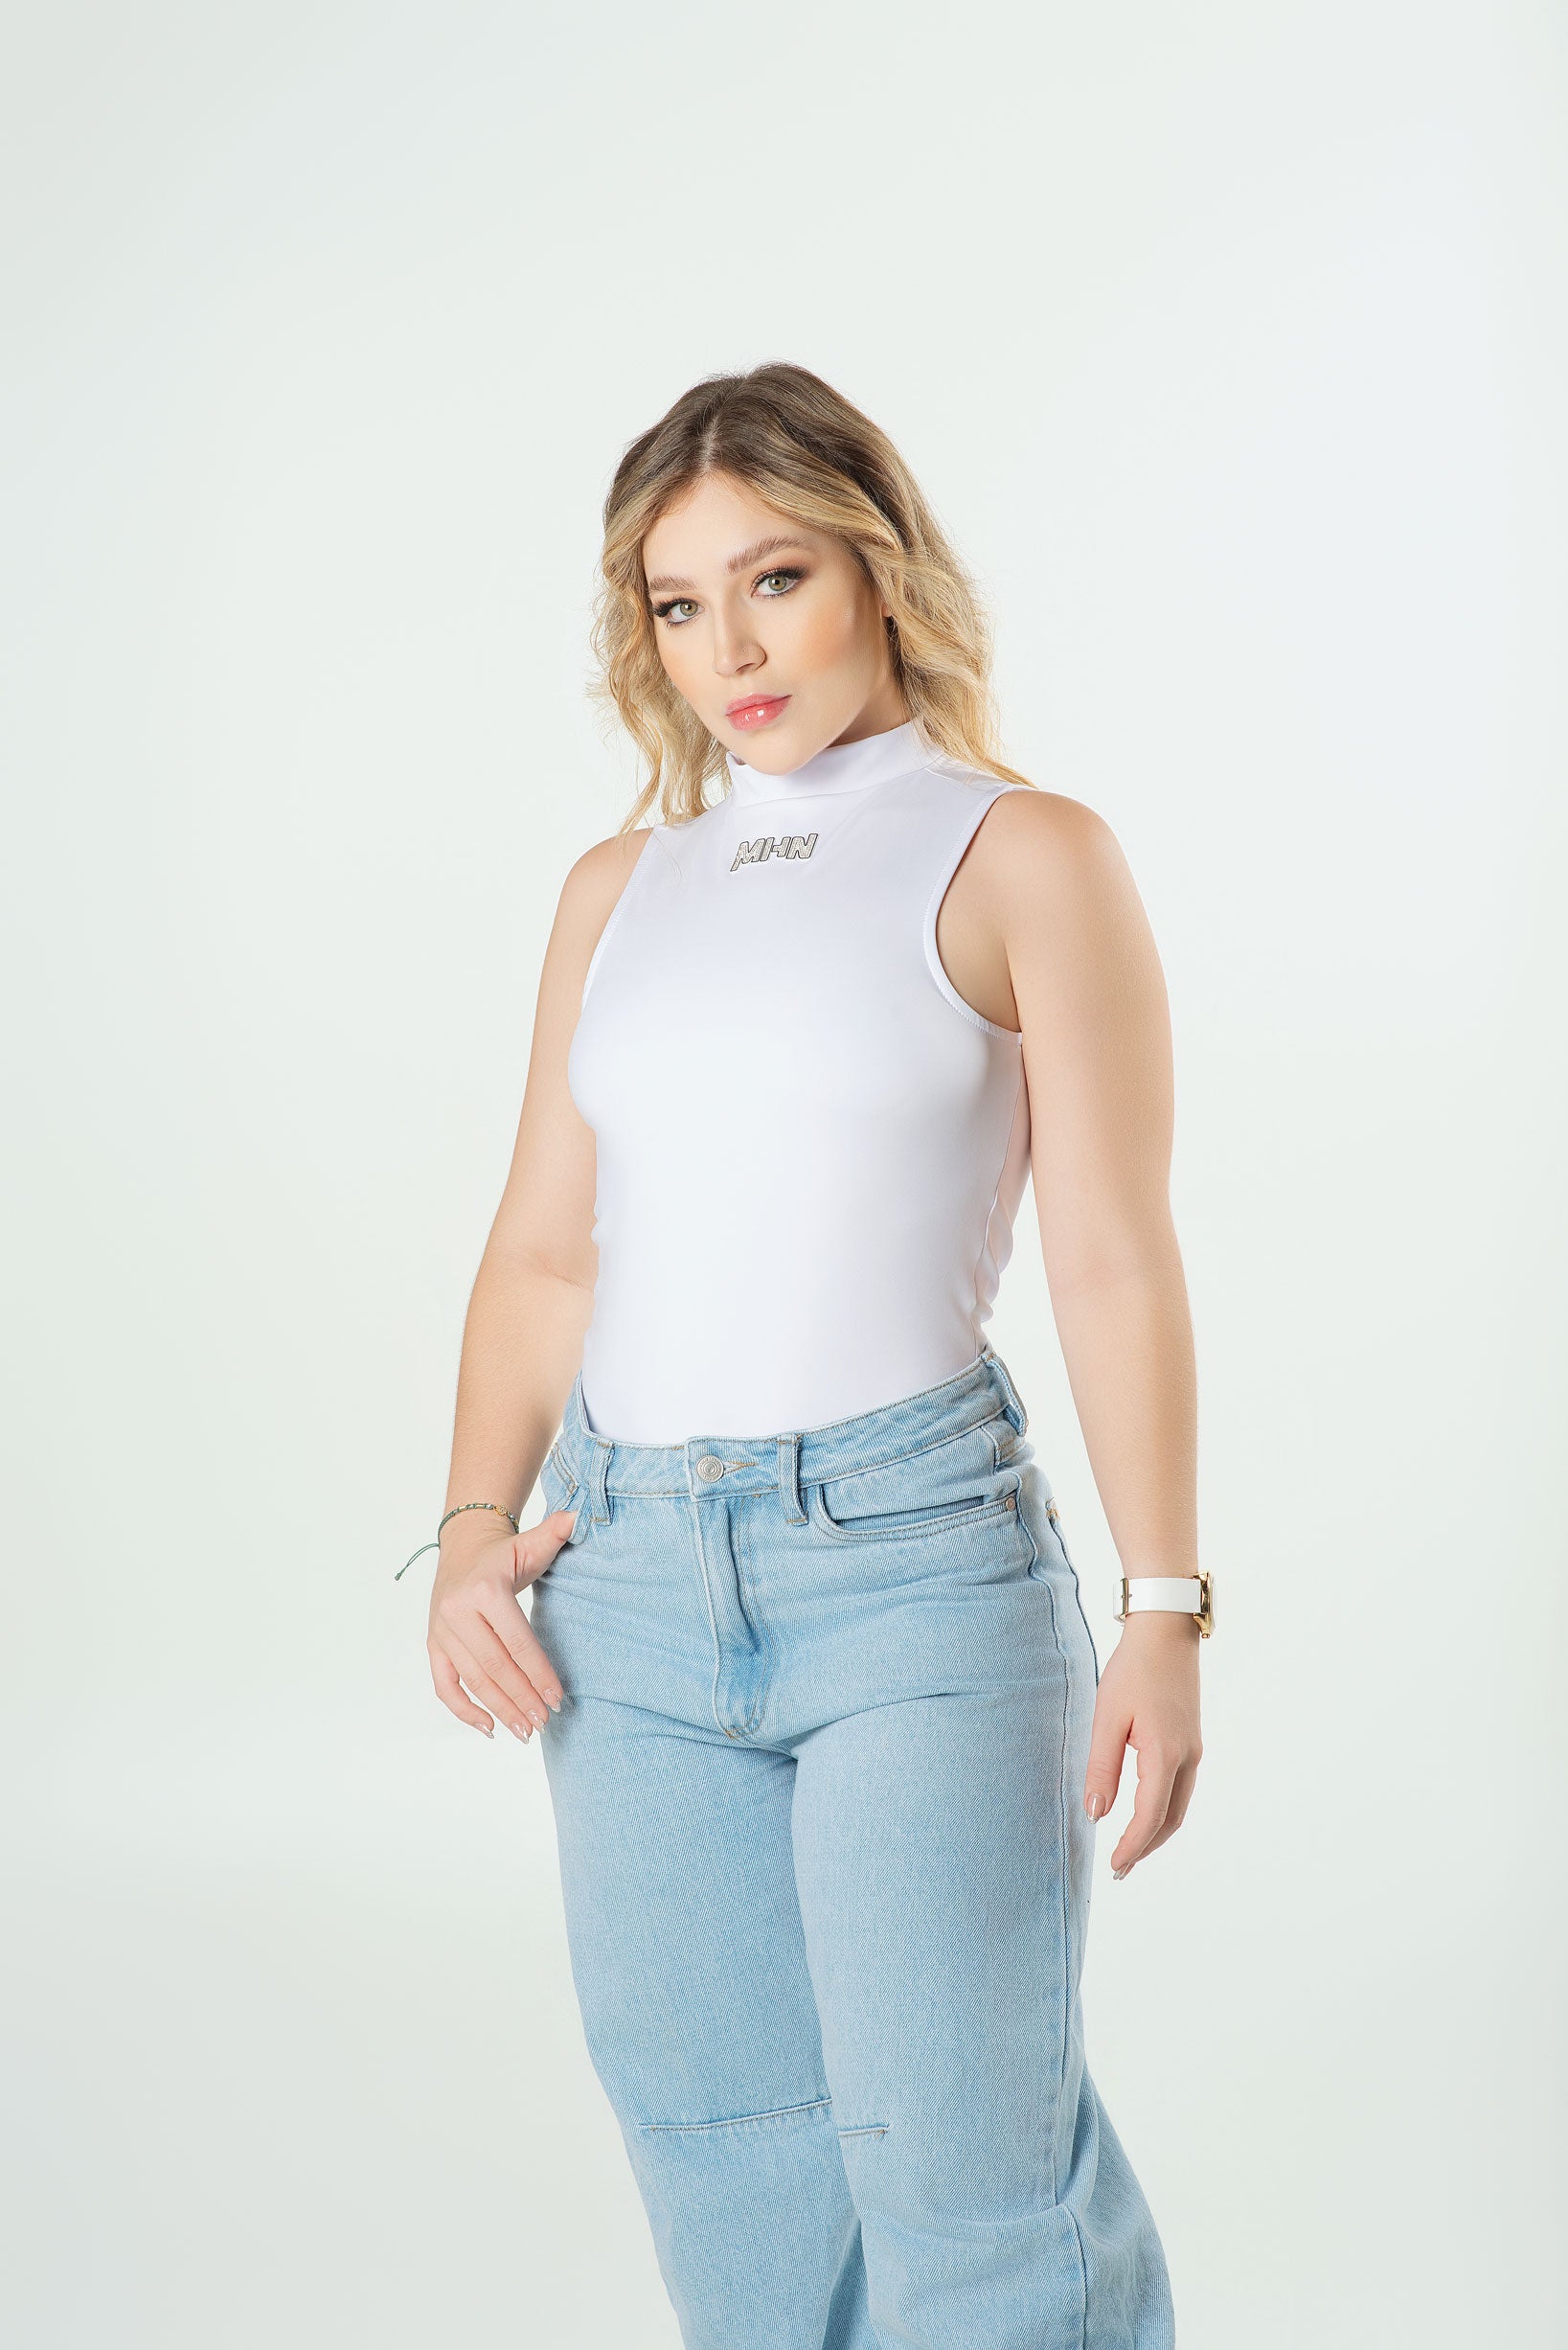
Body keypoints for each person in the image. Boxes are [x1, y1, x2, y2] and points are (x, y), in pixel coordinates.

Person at [407, 361, 1206, 2348]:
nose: (733, 650)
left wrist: (1163, 1606)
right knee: (731, 2177)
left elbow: (1111, 1257)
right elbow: (542, 1251)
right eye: (680, 605)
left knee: (967, 2174)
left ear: (876, 569)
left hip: (911, 1571)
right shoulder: (620, 890)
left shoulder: (1022, 854)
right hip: (625, 1590)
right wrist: (470, 1528)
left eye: (774, 580)